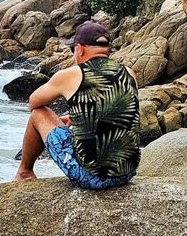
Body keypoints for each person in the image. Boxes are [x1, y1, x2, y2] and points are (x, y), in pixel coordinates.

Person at [14, 21, 140, 190]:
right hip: (127, 174)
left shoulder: (72, 74)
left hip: (91, 177)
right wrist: (77, 116)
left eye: (73, 49)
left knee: (39, 113)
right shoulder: (128, 72)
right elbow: (121, 110)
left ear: (80, 49)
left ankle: (24, 172)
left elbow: (34, 102)